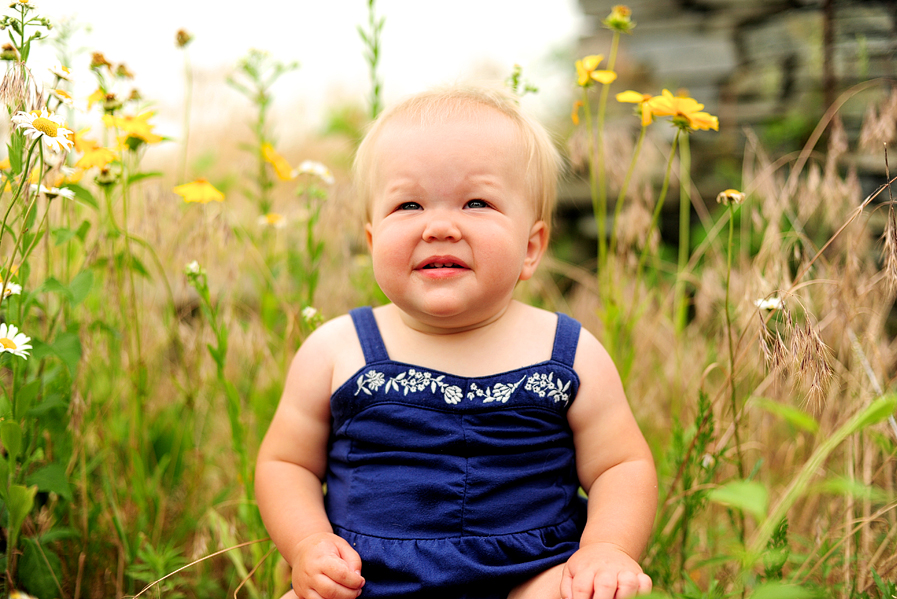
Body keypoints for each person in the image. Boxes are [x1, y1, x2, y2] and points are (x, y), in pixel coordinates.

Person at [255, 84, 658, 599]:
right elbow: (286, 464)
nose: (440, 226)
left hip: (532, 576)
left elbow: (621, 465)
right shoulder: (338, 349)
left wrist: (607, 549)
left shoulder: (568, 351)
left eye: (476, 202)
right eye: (408, 204)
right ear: (373, 240)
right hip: (366, 579)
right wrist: (308, 543)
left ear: (531, 247)